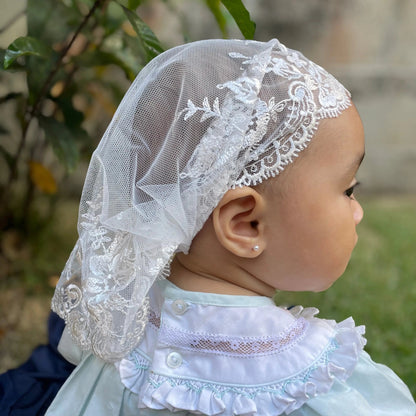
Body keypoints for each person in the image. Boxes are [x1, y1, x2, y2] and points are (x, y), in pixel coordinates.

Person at [44, 39, 415, 415]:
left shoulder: (126, 335)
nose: (358, 212)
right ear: (246, 224)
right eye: (348, 190)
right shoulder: (306, 379)